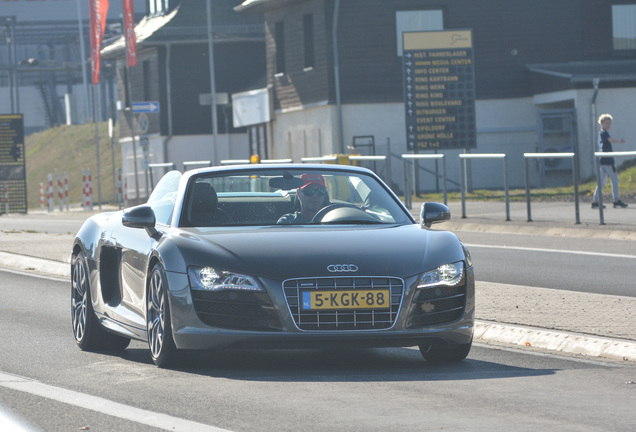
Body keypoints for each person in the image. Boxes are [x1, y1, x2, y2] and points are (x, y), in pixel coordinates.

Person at [591, 114, 628, 209]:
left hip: (602, 160)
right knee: (615, 179)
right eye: (606, 123)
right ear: (601, 123)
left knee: (602, 182)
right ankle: (616, 200)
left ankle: (596, 200)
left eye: (609, 124)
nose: (608, 126)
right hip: (607, 160)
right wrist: (619, 141)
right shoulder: (604, 133)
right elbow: (610, 140)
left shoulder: (601, 133)